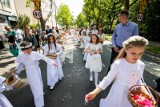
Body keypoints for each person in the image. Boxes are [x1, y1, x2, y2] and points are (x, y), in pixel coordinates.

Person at [86, 36, 149, 107]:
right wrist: (95, 92)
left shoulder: (141, 65)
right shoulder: (119, 64)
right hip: (118, 93)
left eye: (140, 53)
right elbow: (107, 79)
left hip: (133, 95)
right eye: (133, 53)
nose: (137, 56)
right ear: (125, 49)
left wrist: (147, 94)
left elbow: (138, 81)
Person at [13, 41, 57, 107]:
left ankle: (41, 93)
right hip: (30, 72)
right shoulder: (21, 56)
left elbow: (43, 57)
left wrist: (52, 62)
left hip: (37, 69)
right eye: (27, 51)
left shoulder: (34, 53)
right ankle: (39, 104)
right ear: (22, 51)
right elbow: (21, 64)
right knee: (36, 87)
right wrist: (16, 70)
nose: (29, 52)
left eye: (30, 49)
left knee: (40, 82)